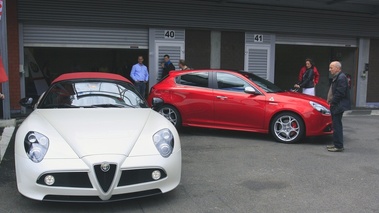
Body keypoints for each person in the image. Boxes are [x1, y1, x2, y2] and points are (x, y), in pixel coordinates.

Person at [326, 61, 351, 152]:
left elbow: (340, 93)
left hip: (338, 105)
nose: (330, 70)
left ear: (337, 68)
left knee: (337, 125)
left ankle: (338, 146)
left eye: (331, 68)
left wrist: (333, 102)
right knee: (336, 125)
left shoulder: (341, 78)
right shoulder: (339, 77)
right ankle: (336, 144)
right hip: (337, 105)